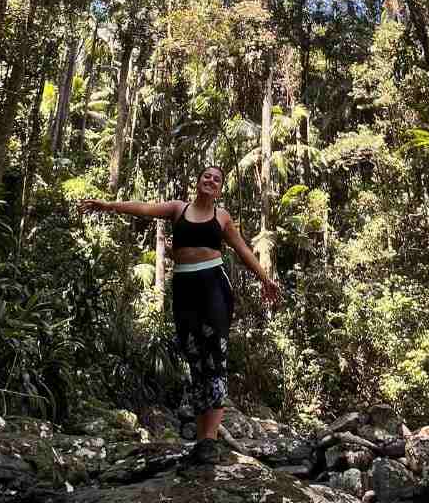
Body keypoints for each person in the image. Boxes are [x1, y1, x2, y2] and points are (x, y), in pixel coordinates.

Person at [77, 165, 281, 463]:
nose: (210, 180)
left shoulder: (222, 217)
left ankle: (210, 439)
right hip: (185, 287)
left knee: (215, 356)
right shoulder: (177, 209)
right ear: (197, 181)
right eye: (206, 176)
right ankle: (202, 440)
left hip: (213, 285)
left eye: (217, 178)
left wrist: (265, 278)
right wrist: (109, 205)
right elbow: (143, 208)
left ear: (220, 188)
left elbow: (242, 250)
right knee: (195, 358)